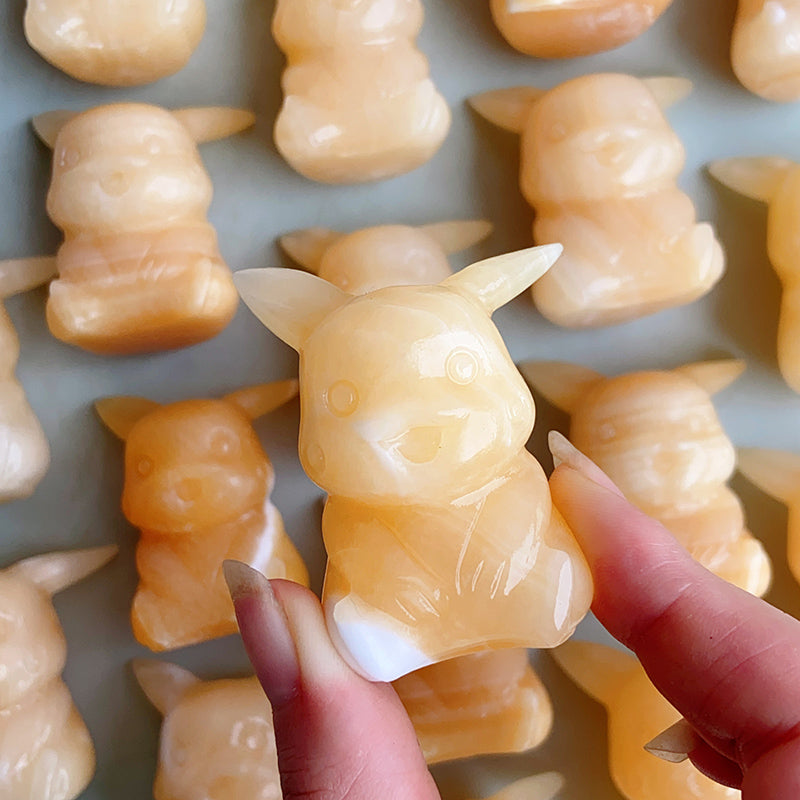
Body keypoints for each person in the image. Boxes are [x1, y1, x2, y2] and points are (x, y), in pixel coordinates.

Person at [223, 433, 800, 799]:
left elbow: (525, 543)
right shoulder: (356, 503)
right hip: (409, 611)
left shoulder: (511, 473)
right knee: (373, 624)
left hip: (513, 590)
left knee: (550, 592)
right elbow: (359, 552)